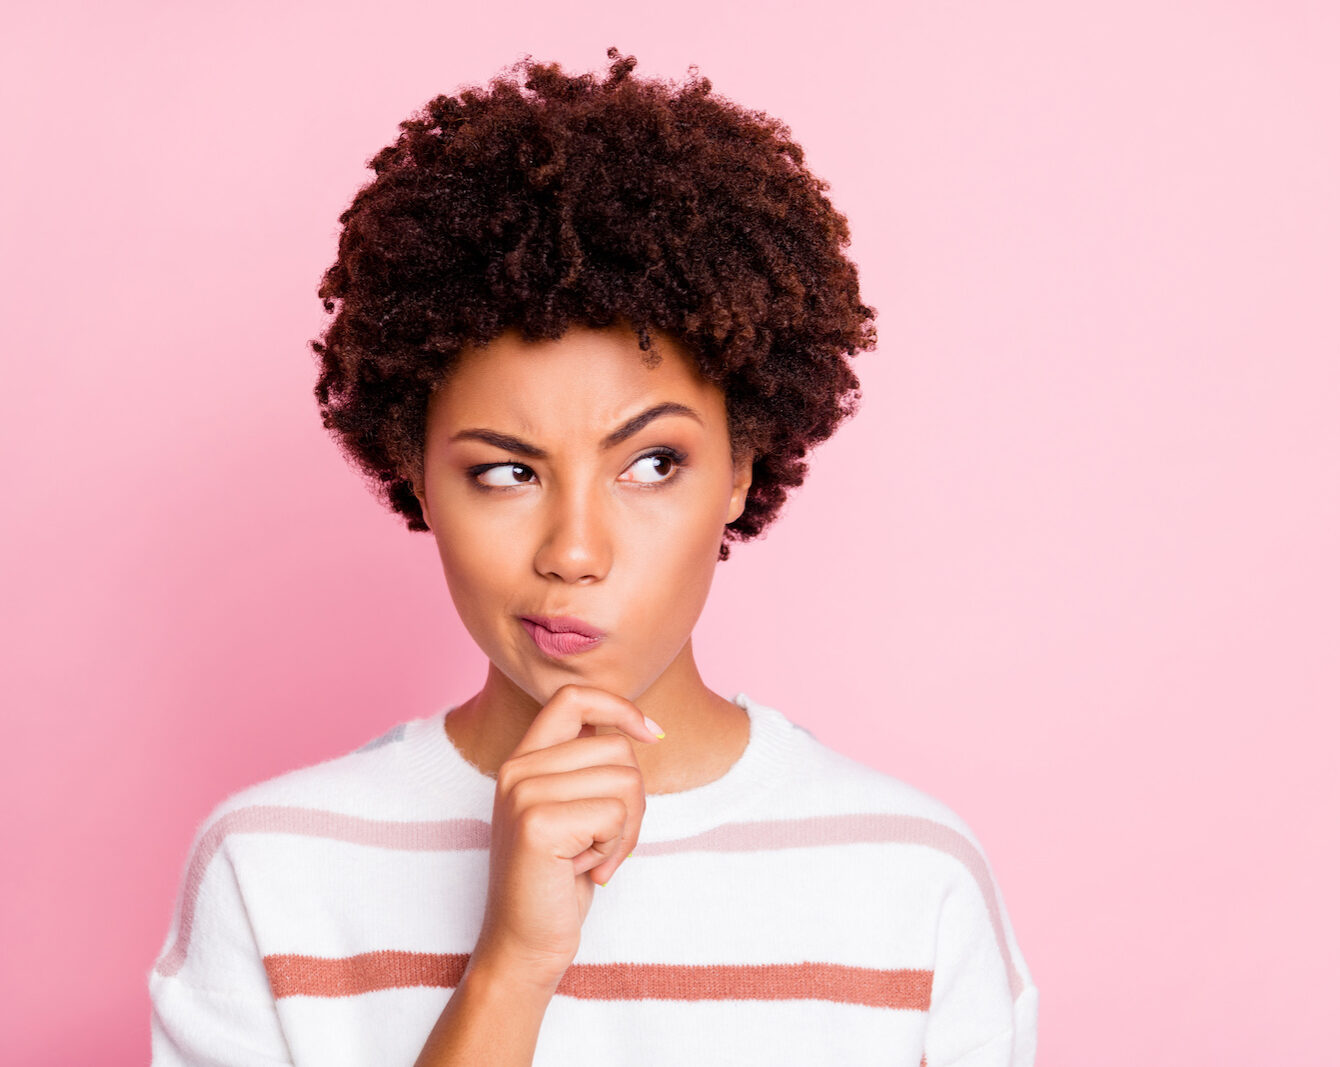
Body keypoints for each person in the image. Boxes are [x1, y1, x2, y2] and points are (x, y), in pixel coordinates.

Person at [147, 46, 1038, 1066]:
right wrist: (514, 963)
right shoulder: (273, 871)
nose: (574, 550)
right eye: (505, 472)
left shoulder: (910, 881)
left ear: (743, 465)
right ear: (414, 469)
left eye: (652, 463)